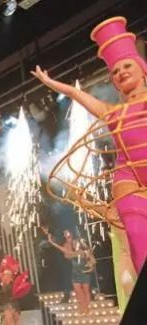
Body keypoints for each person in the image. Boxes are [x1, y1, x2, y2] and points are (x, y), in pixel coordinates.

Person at [32, 16, 147, 274]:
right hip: (128, 174)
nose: (121, 72)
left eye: (127, 65)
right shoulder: (112, 112)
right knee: (137, 235)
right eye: (115, 71)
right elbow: (76, 93)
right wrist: (50, 83)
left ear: (142, 69)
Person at [42, 227, 95, 315]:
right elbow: (65, 253)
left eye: (68, 233)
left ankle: (87, 308)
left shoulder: (79, 242)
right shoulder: (66, 245)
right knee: (78, 291)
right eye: (65, 234)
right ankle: (82, 308)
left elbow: (89, 253)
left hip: (84, 270)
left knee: (86, 290)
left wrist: (91, 263)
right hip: (75, 271)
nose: (67, 235)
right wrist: (51, 241)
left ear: (71, 233)